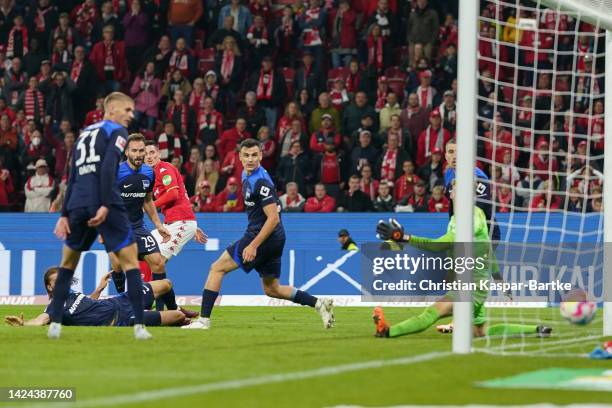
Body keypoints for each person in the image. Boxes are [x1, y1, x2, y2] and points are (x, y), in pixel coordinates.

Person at [183, 138, 335, 330]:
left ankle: (203, 321)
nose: (250, 159)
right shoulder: (247, 176)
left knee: (216, 268)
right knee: (272, 289)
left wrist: (253, 245)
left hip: (264, 235)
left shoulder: (260, 181)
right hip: (274, 237)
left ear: (261, 156)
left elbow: (273, 218)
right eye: (246, 155)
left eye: (255, 155)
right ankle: (319, 303)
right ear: (239, 157)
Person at [372, 185, 552, 339]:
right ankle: (535, 330)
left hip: (472, 285)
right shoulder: (463, 217)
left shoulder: (470, 218)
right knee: (480, 331)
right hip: (471, 282)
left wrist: (404, 237)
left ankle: (388, 331)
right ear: (451, 194)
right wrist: (499, 280)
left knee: (434, 311)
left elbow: (438, 246)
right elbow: (487, 250)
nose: (458, 193)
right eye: (456, 190)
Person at [49, 92, 152, 340]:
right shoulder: (116, 132)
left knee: (67, 264)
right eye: (127, 110)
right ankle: (139, 326)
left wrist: (64, 213)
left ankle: (54, 325)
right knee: (129, 263)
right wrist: (106, 204)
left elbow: (72, 174)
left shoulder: (84, 133)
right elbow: (108, 168)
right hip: (105, 202)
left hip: (77, 204)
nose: (131, 115)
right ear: (112, 109)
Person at [108, 133, 196, 318]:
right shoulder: (116, 173)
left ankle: (171, 312)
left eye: (142, 151)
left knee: (157, 264)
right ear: (126, 152)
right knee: (117, 266)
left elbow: (147, 200)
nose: (140, 154)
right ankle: (124, 304)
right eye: (135, 151)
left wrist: (158, 224)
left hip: (138, 227)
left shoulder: (149, 172)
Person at [5, 267, 187, 328]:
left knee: (166, 284)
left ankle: (177, 308)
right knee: (178, 318)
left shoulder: (72, 294)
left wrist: (99, 289)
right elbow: (40, 320)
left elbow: (90, 304)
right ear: (50, 287)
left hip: (121, 300)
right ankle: (179, 316)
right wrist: (24, 324)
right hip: (121, 319)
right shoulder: (54, 308)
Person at [143, 140, 207, 264]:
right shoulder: (151, 175)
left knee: (157, 262)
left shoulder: (164, 169)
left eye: (152, 152)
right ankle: (146, 283)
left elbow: (173, 194)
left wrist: (150, 206)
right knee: (145, 251)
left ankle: (155, 284)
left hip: (180, 222)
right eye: (146, 154)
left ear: (159, 154)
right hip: (172, 223)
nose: (149, 157)